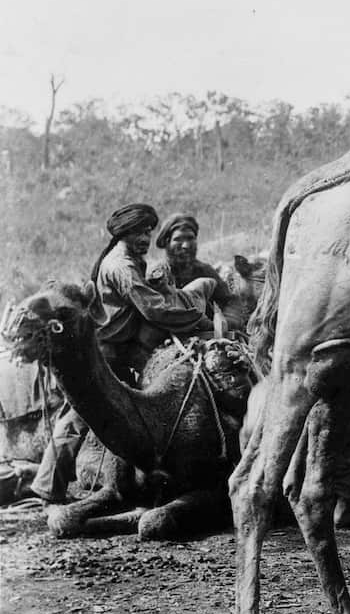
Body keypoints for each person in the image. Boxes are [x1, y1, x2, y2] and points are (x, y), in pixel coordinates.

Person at [30, 203, 218, 504]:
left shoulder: (131, 260)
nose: (144, 238)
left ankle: (139, 473)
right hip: (111, 349)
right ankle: (48, 484)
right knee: (82, 412)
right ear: (122, 233)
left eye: (148, 232)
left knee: (145, 403)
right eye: (138, 232)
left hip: (126, 345)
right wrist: (200, 321)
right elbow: (153, 309)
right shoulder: (121, 266)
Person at [146, 213, 240, 331]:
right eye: (178, 239)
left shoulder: (205, 271)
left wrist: (229, 321)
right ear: (167, 242)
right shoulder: (156, 274)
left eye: (190, 238)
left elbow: (229, 301)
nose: (186, 245)